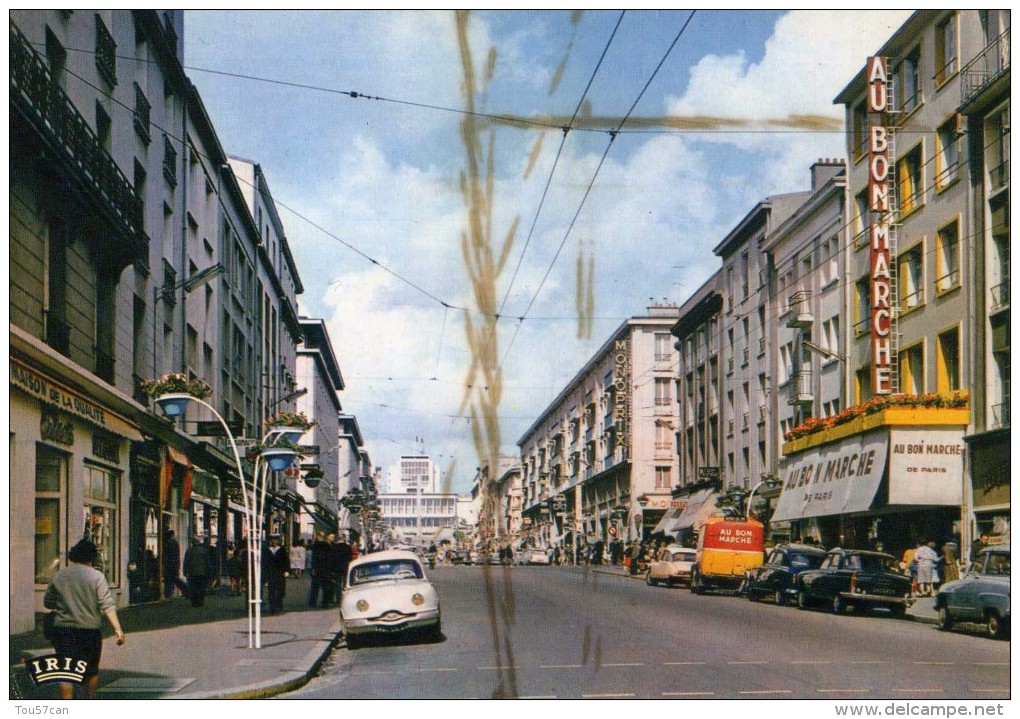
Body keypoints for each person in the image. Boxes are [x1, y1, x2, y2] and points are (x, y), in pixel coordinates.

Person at [44, 539, 126, 699]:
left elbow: (48, 603)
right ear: (92, 557)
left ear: (73, 555)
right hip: (90, 631)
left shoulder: (59, 576)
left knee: (65, 671)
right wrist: (118, 629)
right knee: (91, 670)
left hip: (63, 631)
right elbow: (107, 604)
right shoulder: (97, 577)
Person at [182, 536, 212, 607]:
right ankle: (200, 601)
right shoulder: (204, 551)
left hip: (192, 573)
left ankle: (194, 601)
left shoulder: (189, 551)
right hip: (202, 572)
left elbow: (186, 562)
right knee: (201, 587)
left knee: (193, 587)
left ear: (193, 543)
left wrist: (185, 571)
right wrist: (208, 571)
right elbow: (207, 562)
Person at [264, 535, 290, 614]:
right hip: (271, 573)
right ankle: (272, 607)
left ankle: (279, 604)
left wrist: (287, 570)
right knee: (271, 590)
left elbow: (286, 561)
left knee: (280, 590)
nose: (273, 541)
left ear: (278, 541)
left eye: (275, 540)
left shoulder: (282, 550)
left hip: (280, 573)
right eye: (272, 540)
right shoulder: (267, 550)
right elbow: (264, 562)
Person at [307, 531, 329, 608]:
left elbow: (314, 558)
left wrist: (312, 568)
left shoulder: (315, 545)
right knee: (325, 587)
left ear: (318, 537)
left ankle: (312, 603)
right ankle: (325, 603)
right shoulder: (326, 545)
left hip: (317, 568)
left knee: (315, 587)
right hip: (325, 568)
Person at [162, 529, 181, 598]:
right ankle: (170, 593)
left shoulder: (170, 543)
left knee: (170, 579)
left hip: (170, 565)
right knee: (173, 579)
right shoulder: (174, 543)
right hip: (174, 564)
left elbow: (170, 555)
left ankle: (168, 593)